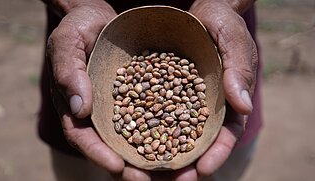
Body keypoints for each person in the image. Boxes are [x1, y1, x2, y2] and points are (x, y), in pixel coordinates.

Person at [38, 0, 262, 180]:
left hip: (221, 56)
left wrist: (225, 3)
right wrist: (76, 4)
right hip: (85, 60)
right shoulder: (139, 100)